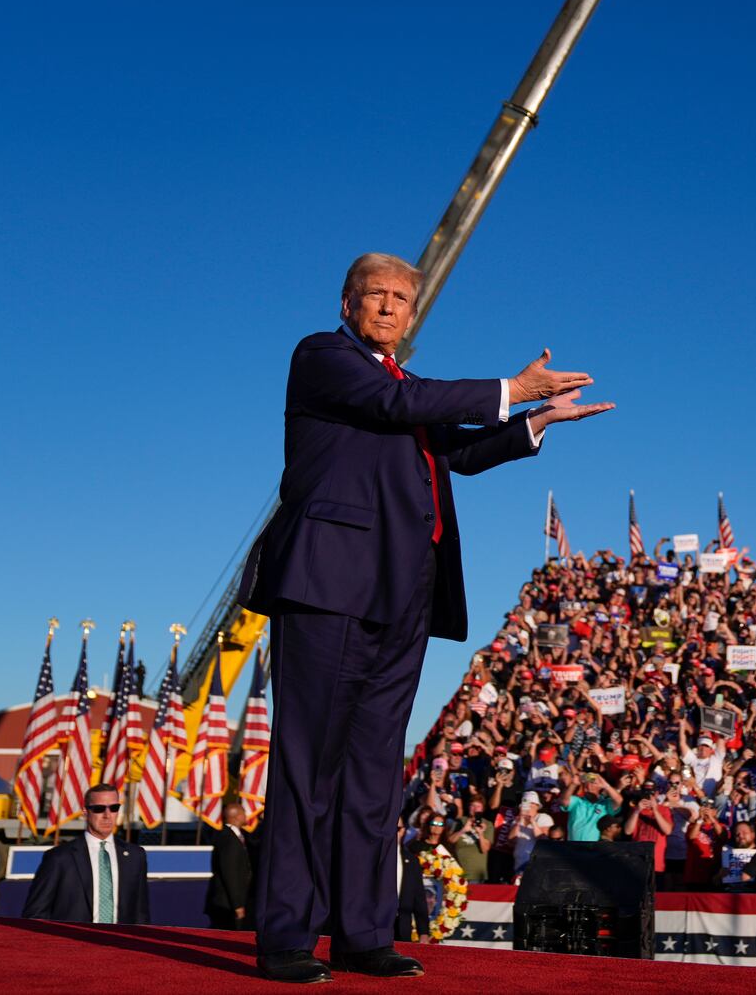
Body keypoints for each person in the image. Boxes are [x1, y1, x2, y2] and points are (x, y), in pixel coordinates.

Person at [241, 252, 611, 983]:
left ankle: (361, 936)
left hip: (405, 598)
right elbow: (400, 409)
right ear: (347, 304)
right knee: (306, 770)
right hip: (328, 589)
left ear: (413, 316)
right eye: (373, 295)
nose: (386, 307)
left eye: (400, 299)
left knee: (377, 778)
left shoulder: (411, 390)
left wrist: (530, 422)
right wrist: (507, 387)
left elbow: (456, 452)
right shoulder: (323, 358)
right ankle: (286, 937)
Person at [22, 783, 150, 924]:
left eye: (114, 808)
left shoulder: (135, 856)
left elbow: (140, 912)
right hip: (72, 942)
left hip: (118, 943)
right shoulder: (59, 857)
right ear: (85, 811)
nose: (107, 815)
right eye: (99, 809)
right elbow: (35, 913)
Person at [206, 801, 254, 929]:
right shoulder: (228, 838)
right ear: (236, 816)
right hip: (226, 903)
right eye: (243, 812)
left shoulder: (236, 835)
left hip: (230, 902)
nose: (246, 816)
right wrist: (237, 905)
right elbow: (230, 873)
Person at [394, 818, 430, 943]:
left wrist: (424, 932)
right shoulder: (372, 859)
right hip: (376, 926)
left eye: (397, 829)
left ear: (403, 831)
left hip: (403, 925)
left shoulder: (412, 861)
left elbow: (418, 897)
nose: (394, 833)